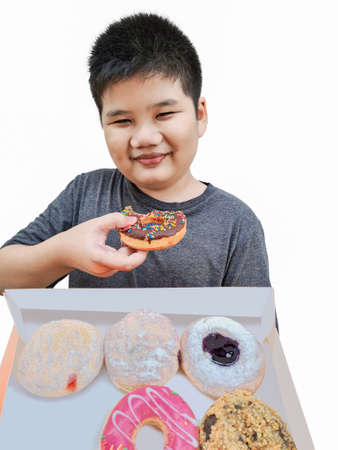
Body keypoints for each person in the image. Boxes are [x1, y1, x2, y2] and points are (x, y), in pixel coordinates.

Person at [0, 13, 270, 295]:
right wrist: (62, 252)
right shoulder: (86, 193)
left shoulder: (236, 222)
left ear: (199, 115)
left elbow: (256, 330)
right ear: (102, 123)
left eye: (164, 114)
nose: (144, 138)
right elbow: (3, 277)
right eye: (122, 121)